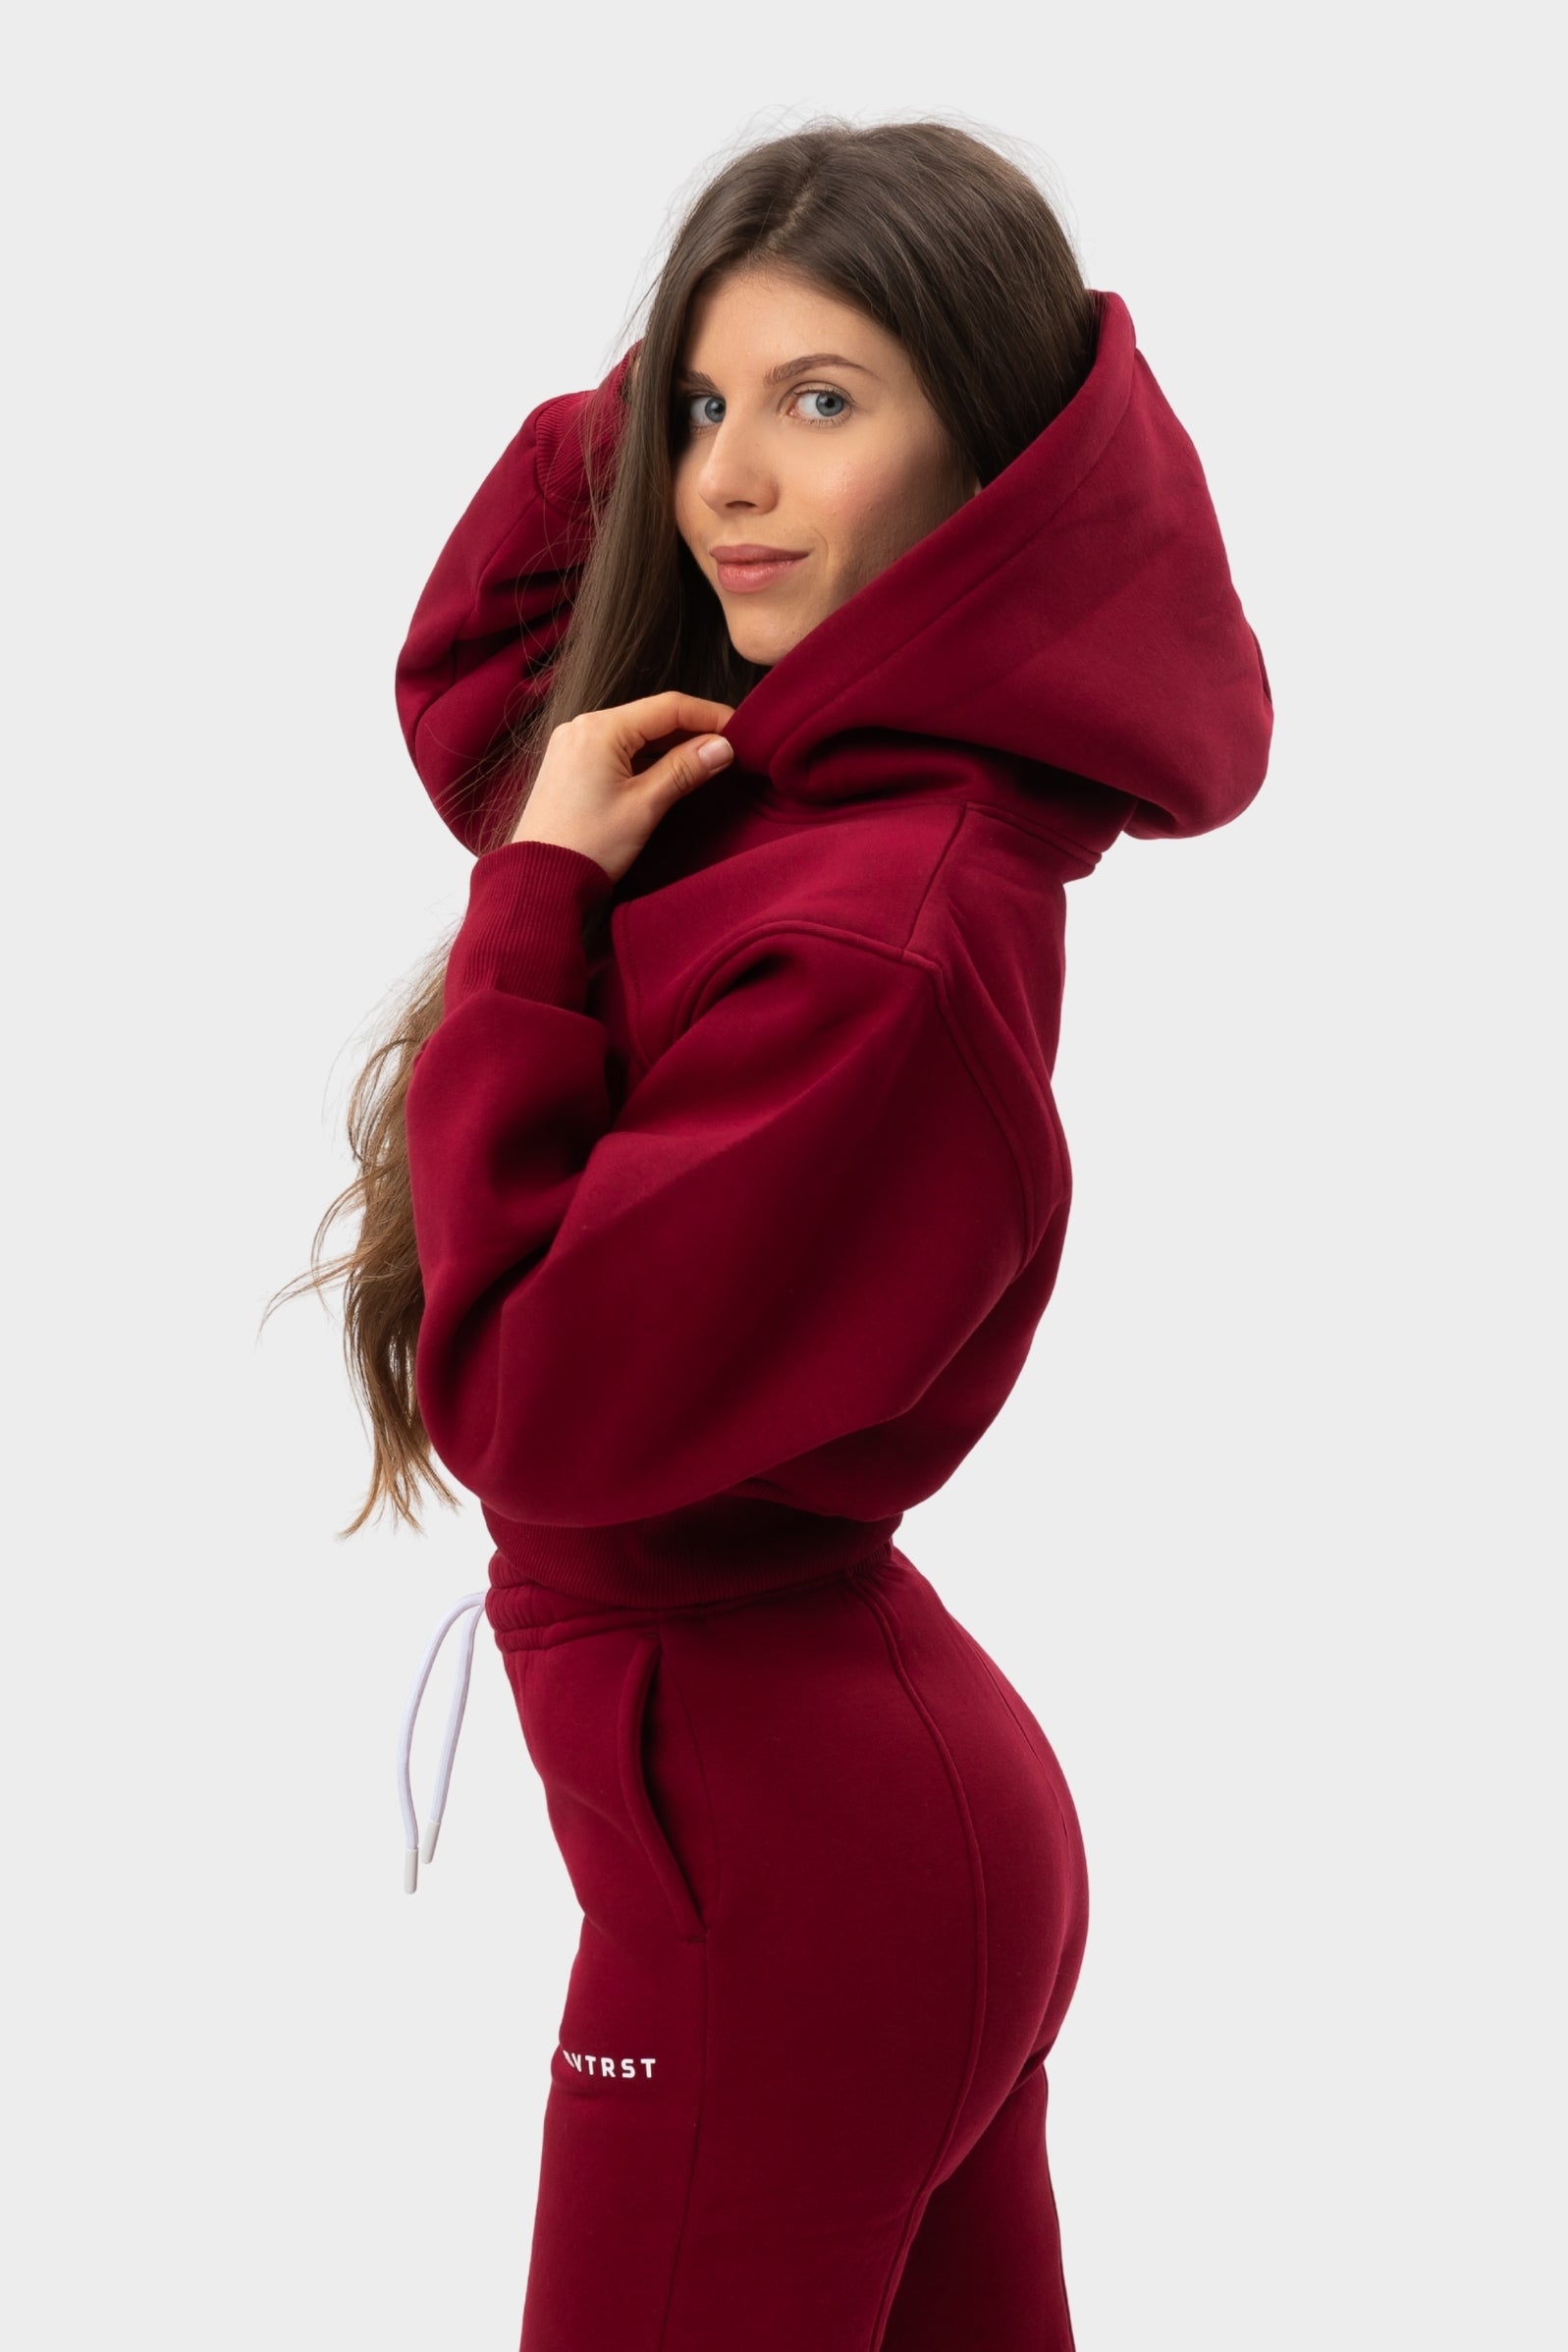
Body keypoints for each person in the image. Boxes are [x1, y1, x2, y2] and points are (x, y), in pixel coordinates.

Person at [287, 117, 1272, 2351]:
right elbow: (485, 662)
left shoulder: (875, 931)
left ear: (988, 465)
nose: (726, 480)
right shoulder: (792, 781)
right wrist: (723, 354)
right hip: (832, 1823)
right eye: (703, 408)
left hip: (785, 1871)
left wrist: (538, 903)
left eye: (823, 404)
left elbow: (536, 1408)